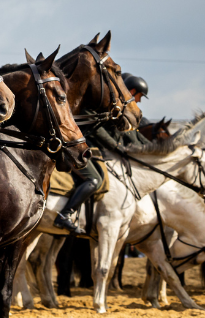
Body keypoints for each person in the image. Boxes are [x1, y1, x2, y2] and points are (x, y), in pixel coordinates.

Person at [54, 72, 150, 234]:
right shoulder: (94, 104)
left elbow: (134, 135)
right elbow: (101, 133)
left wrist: (152, 148)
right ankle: (65, 215)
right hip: (79, 148)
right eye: (139, 96)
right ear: (132, 92)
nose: (139, 101)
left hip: (93, 149)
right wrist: (118, 147)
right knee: (94, 179)